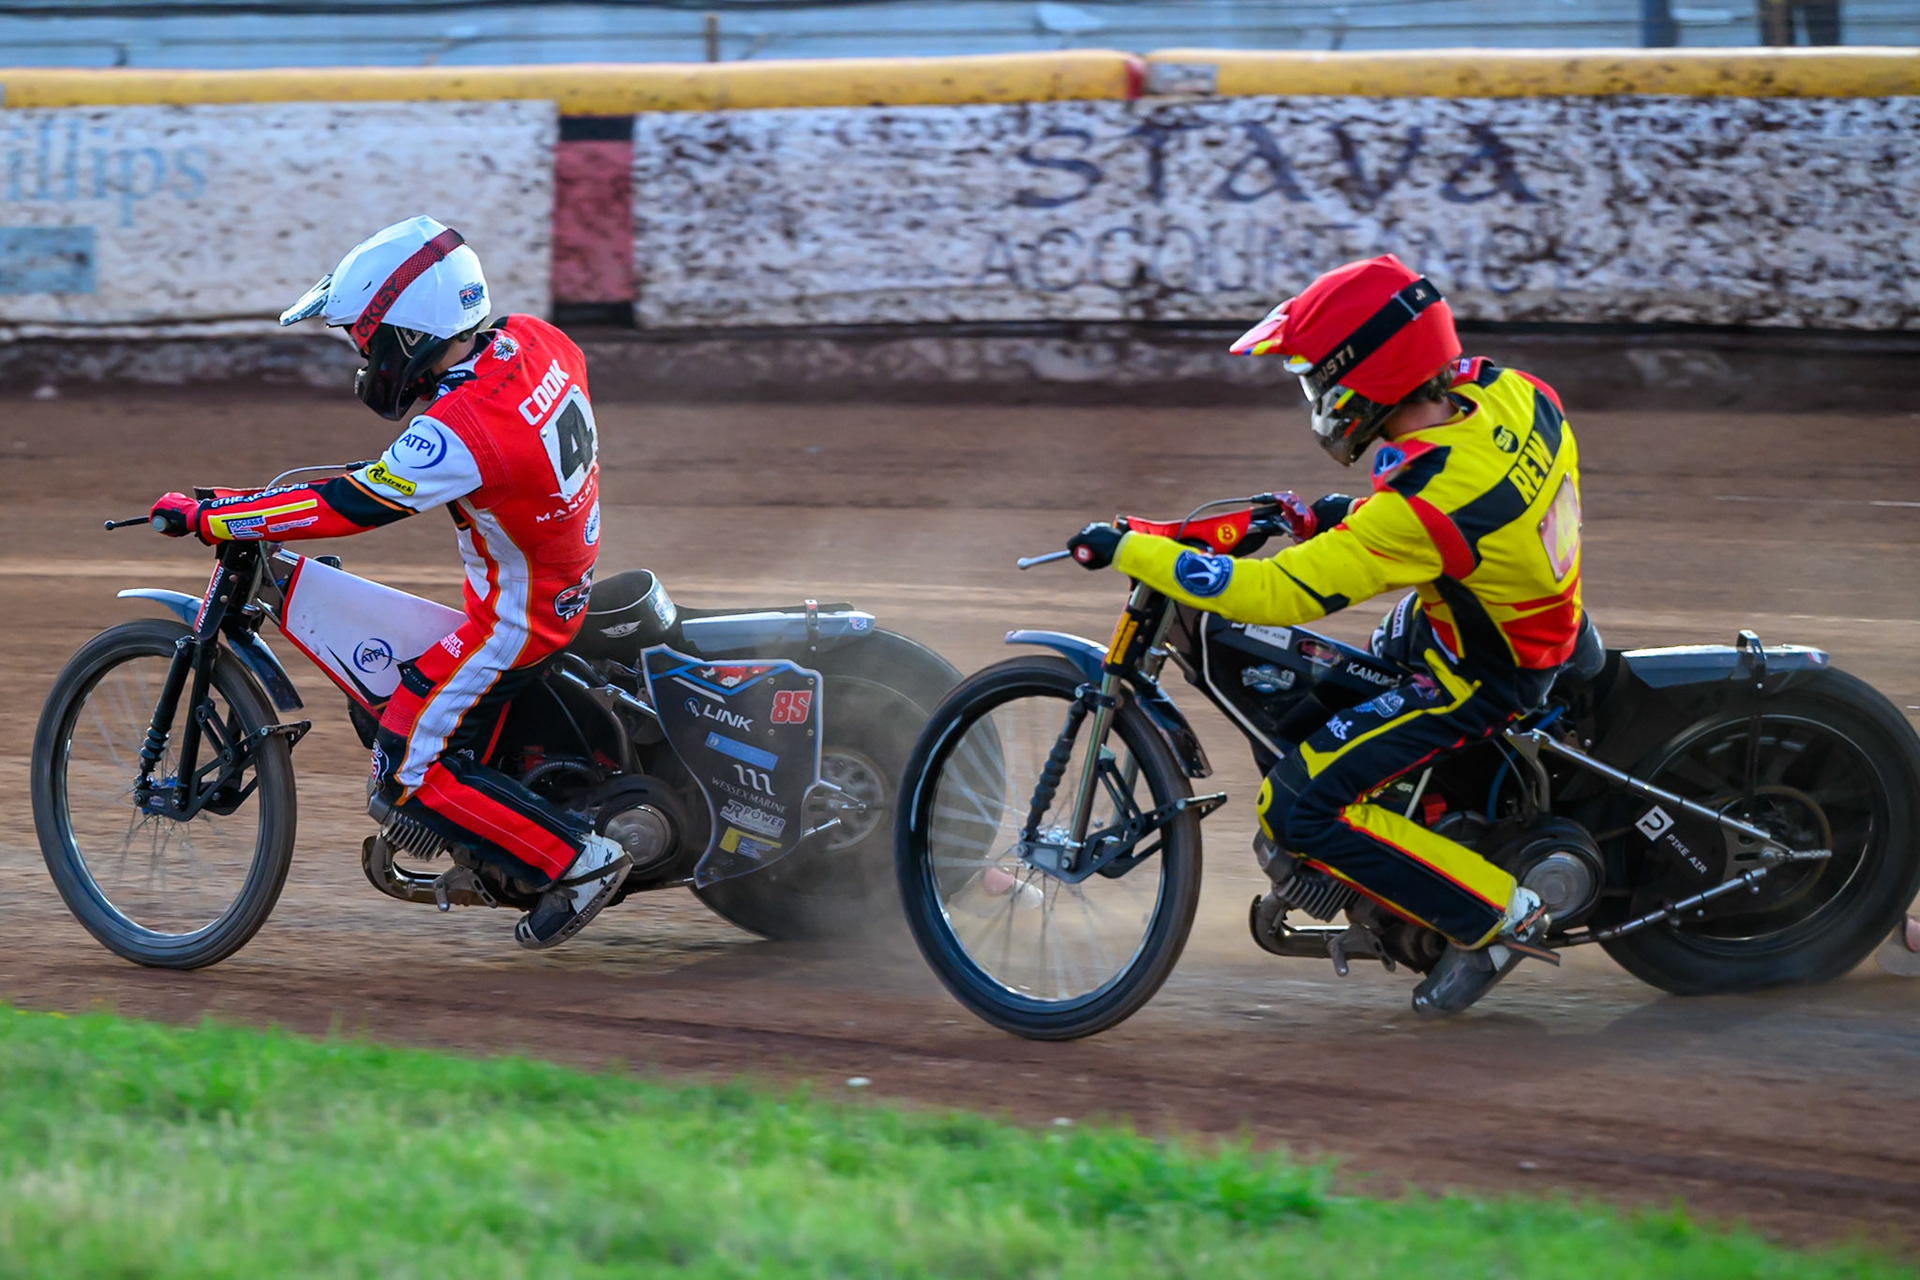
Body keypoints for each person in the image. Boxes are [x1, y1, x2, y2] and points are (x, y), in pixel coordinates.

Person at [1066, 254, 1585, 1017]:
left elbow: (1275, 593)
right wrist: (1334, 516)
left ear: (1367, 375)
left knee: (1296, 807)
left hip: (1482, 674)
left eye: (1319, 381)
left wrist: (1130, 550)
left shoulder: (1422, 507)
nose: (1319, 399)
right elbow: (1463, 508)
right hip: (1512, 611)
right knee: (1342, 688)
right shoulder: (1512, 392)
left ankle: (1499, 920)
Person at [146, 215, 631, 951]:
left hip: (516, 621)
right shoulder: (537, 341)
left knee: (403, 767)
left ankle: (578, 862)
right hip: (564, 573)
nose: (362, 355)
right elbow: (412, 467)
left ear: (408, 334)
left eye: (365, 339)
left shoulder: (462, 428)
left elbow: (351, 506)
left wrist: (216, 518)